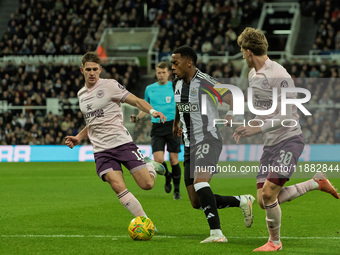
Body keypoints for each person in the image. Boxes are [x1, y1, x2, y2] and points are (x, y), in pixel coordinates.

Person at [234, 27, 339, 252]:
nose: (242, 56)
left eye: (242, 51)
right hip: (270, 143)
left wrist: (257, 129)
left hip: (289, 139)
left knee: (270, 193)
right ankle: (315, 182)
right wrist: (249, 126)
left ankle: (275, 242)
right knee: (263, 200)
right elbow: (262, 111)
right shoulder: (253, 75)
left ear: (249, 51)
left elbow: (285, 116)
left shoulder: (279, 75)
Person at [65, 51, 167, 225]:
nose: (91, 73)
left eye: (95, 69)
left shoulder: (110, 85)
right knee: (117, 185)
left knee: (147, 185)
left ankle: (149, 164)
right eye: (88, 69)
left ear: (100, 69)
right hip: (101, 150)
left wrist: (152, 111)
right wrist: (79, 137)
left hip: (122, 143)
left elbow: (135, 101)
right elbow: (92, 122)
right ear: (82, 70)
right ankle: (144, 221)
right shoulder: (81, 94)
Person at [171, 45, 255, 243]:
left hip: (208, 139)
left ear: (189, 62)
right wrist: (176, 122)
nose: (172, 67)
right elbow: (179, 103)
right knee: (196, 201)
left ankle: (217, 234)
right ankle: (242, 200)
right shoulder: (176, 83)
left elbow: (232, 97)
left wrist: (230, 114)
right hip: (190, 145)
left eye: (176, 63)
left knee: (201, 182)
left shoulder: (204, 82)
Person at [131, 62, 182, 200]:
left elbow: (181, 106)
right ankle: (168, 176)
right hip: (157, 127)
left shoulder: (174, 86)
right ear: (156, 73)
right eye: (159, 72)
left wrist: (181, 124)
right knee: (158, 161)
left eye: (163, 72)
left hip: (172, 126)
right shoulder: (150, 89)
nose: (161, 75)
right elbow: (145, 107)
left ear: (168, 73)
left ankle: (176, 191)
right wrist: (137, 118)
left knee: (173, 159)